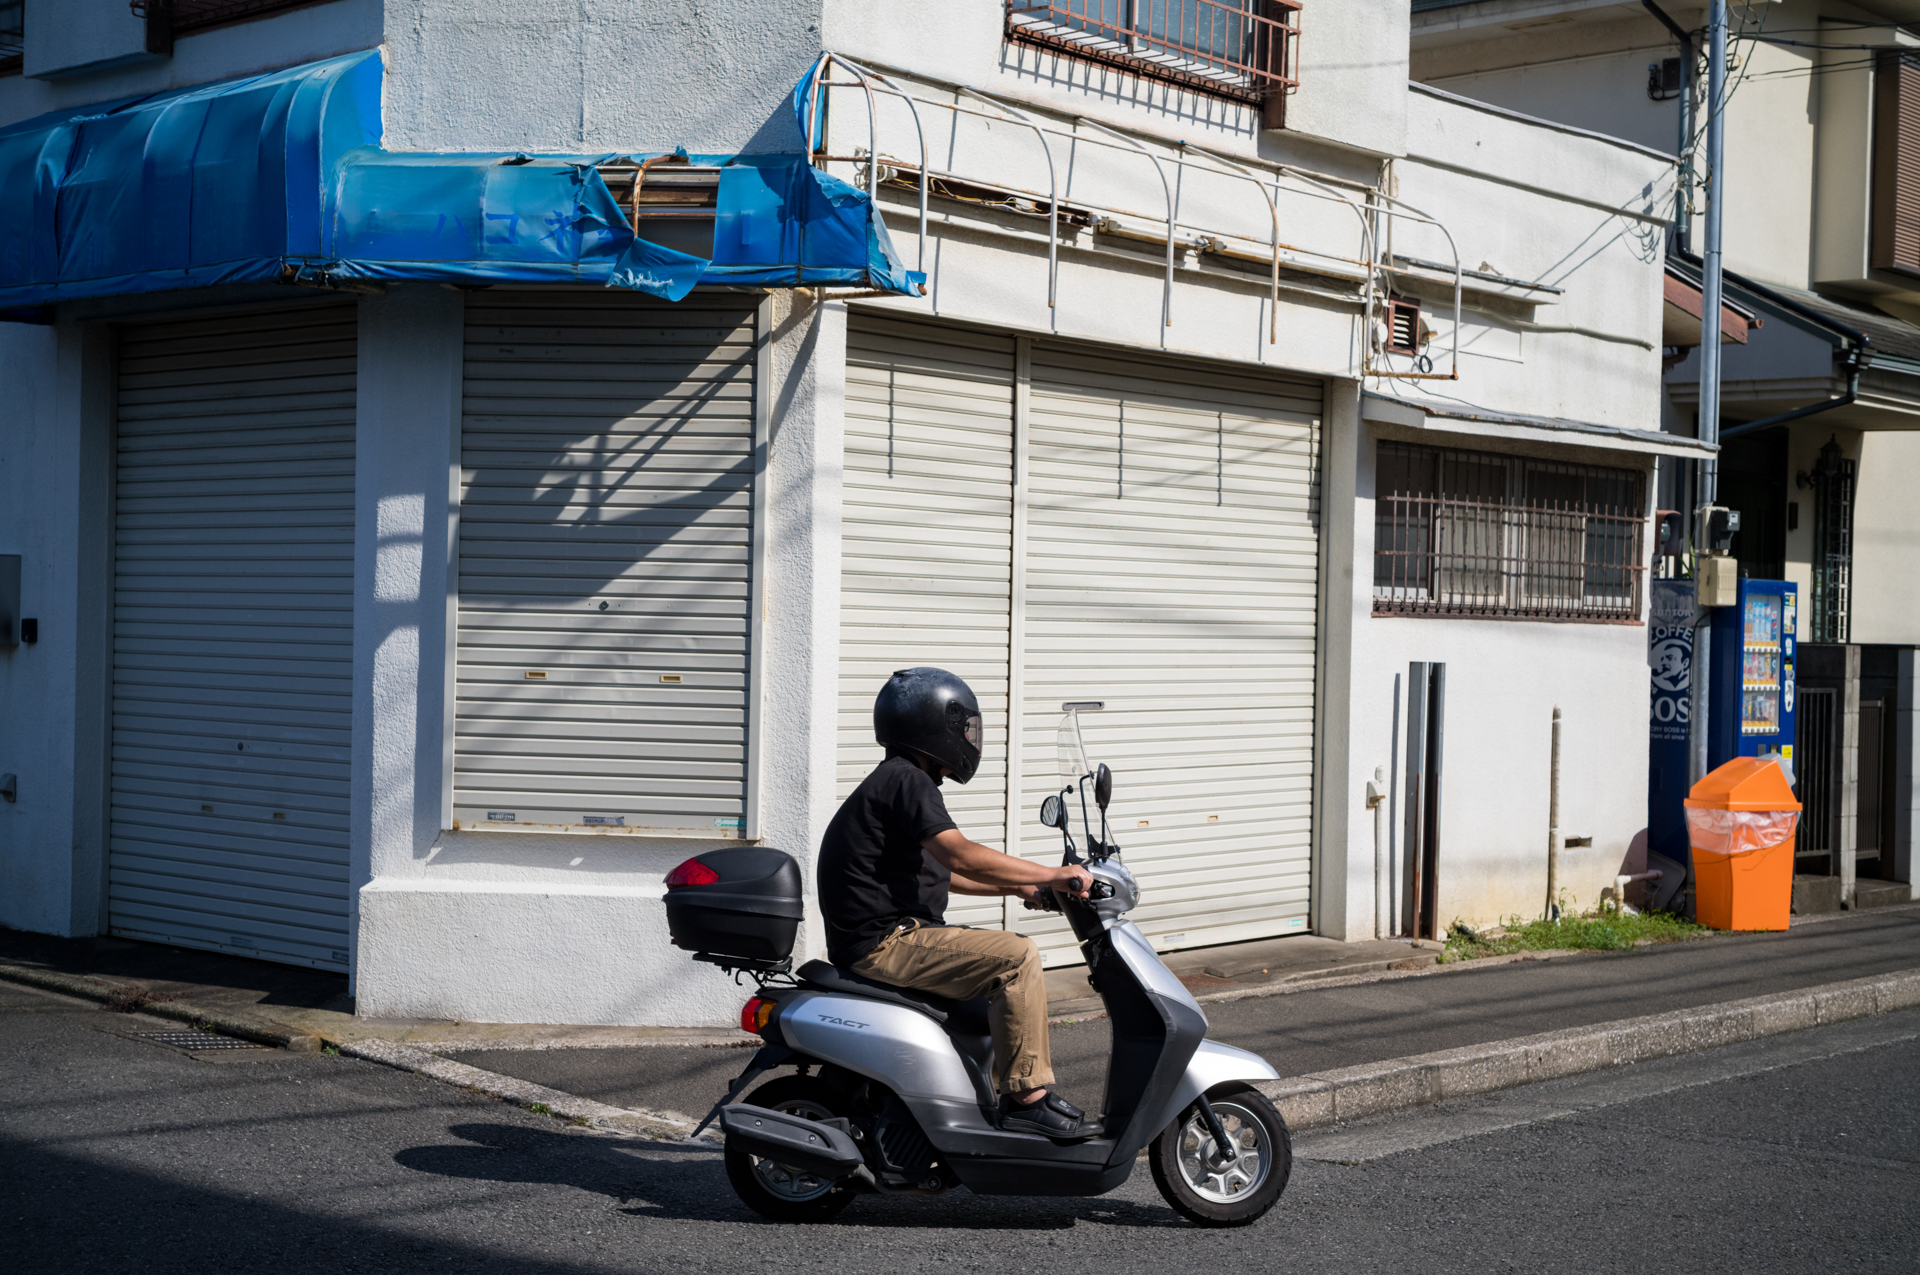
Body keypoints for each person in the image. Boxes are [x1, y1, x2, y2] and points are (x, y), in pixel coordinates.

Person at [816, 667, 1098, 1139]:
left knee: (998, 967)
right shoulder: (906, 781)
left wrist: (1023, 888)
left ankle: (974, 1099)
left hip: (888, 935)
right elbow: (960, 853)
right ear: (933, 725)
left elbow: (945, 873)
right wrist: (1054, 873)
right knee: (1016, 957)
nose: (969, 737)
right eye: (963, 727)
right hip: (884, 943)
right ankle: (1026, 1099)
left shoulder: (897, 781)